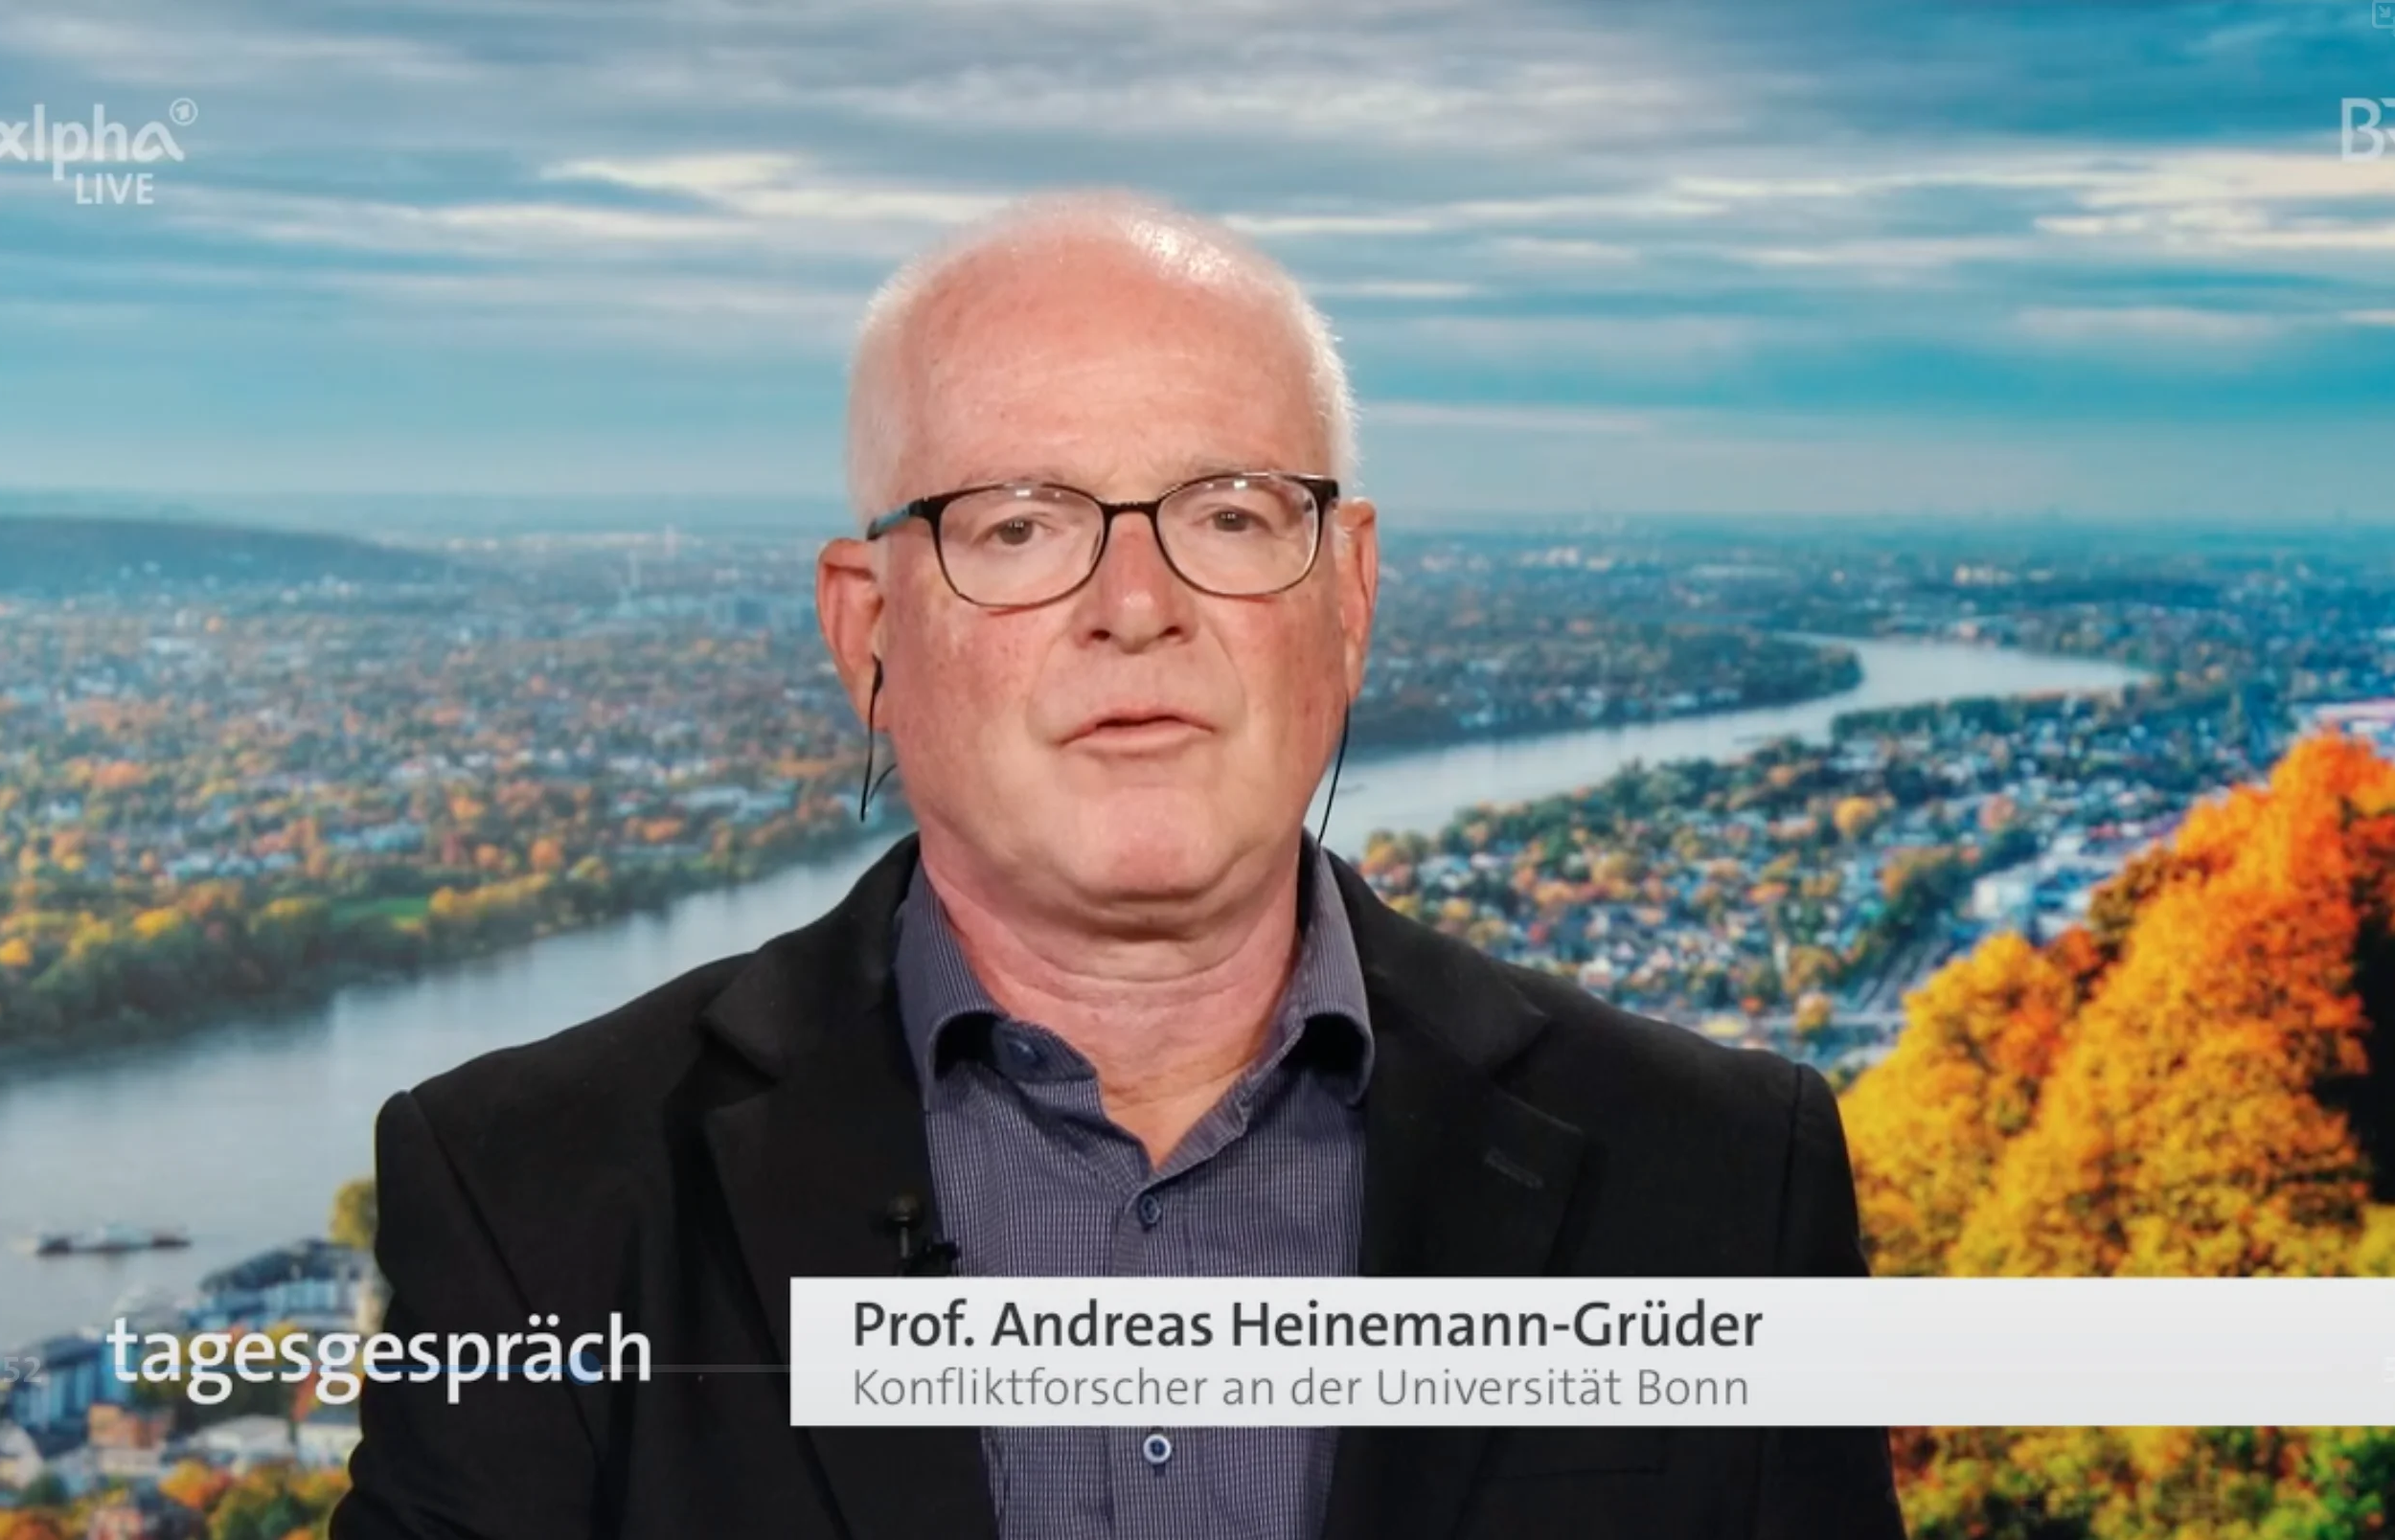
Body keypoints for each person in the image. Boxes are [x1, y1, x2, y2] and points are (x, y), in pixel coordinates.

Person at [332, 189, 1905, 1540]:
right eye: (1018, 526)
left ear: (1349, 598)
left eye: (1230, 514)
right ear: (868, 631)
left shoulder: (1722, 1179)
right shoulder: (529, 1195)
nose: (1136, 605)